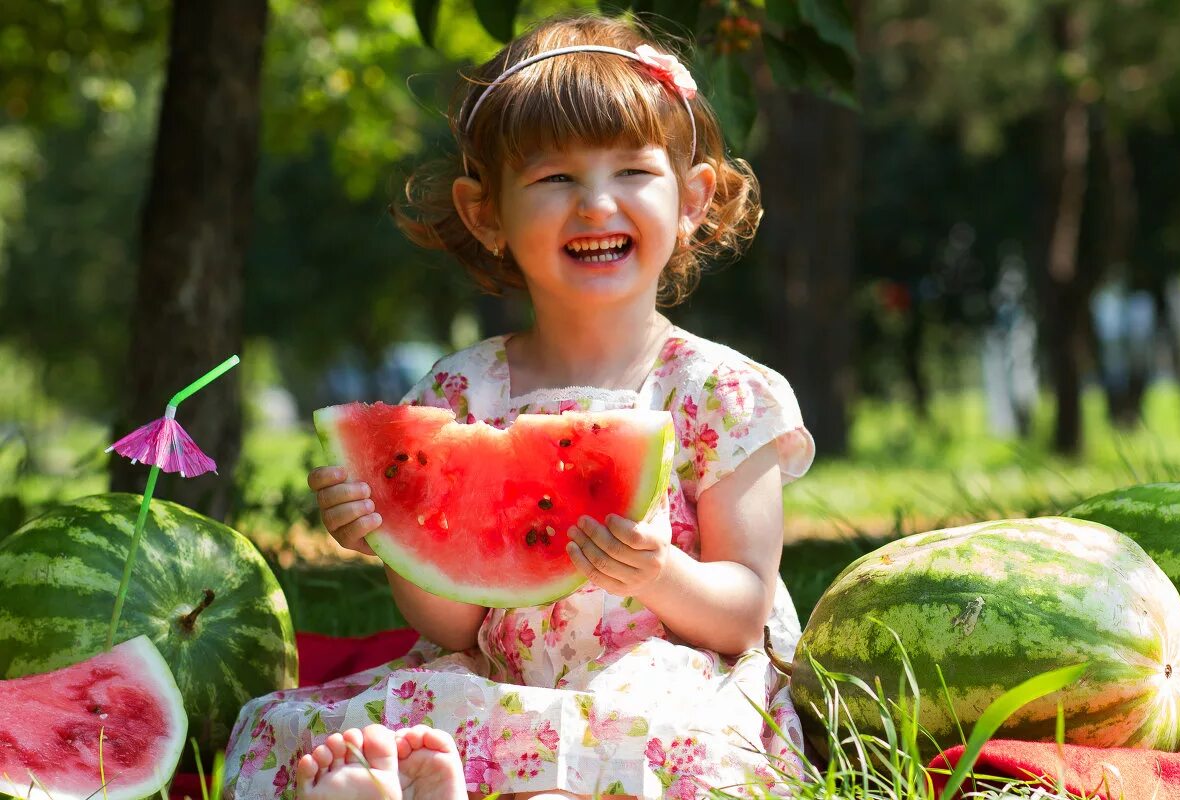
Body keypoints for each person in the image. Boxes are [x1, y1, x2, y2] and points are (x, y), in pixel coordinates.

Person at [224, 12, 815, 800]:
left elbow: (744, 614)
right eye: (555, 178)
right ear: (486, 215)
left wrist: (660, 572)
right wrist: (390, 528)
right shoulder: (458, 394)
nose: (596, 205)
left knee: (645, 729)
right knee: (397, 712)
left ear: (693, 200)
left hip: (664, 679)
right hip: (493, 675)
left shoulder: (721, 392)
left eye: (632, 172)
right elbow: (455, 626)